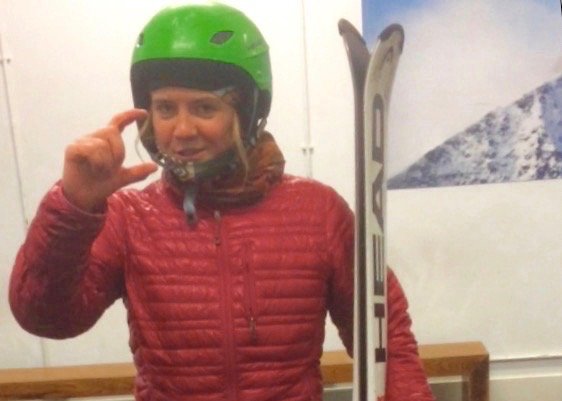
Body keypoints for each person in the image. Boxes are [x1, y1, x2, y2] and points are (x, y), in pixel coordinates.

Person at [9, 3, 434, 401]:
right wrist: (73, 209)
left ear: (247, 112)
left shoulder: (318, 212)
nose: (182, 129)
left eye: (204, 108)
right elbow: (46, 317)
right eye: (165, 108)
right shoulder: (130, 218)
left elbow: (386, 337)